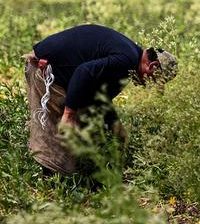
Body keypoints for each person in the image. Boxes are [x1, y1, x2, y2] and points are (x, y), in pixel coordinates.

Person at [25, 24, 177, 173]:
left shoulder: (130, 58)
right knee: (61, 156)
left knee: (84, 125)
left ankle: (64, 172)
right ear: (153, 66)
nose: (149, 85)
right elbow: (83, 72)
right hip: (46, 69)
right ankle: (48, 180)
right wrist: (69, 115)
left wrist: (115, 126)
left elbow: (98, 95)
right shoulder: (126, 61)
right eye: (156, 80)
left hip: (57, 69)